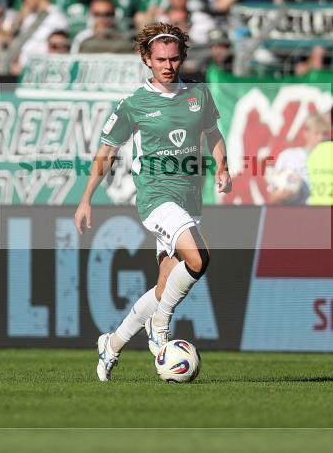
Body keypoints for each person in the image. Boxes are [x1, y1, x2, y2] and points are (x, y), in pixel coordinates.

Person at [75, 22, 231, 382]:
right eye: (160, 59)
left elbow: (213, 133)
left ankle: (111, 344)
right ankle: (159, 326)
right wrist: (86, 200)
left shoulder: (199, 95)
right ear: (146, 59)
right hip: (156, 196)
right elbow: (106, 153)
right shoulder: (133, 105)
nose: (168, 66)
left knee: (164, 288)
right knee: (199, 258)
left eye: (174, 59)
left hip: (190, 198)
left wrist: (223, 167)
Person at [269, 112, 327, 204]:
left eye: (324, 134)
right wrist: (281, 195)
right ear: (306, 133)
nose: (320, 138)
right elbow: (272, 196)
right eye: (316, 133)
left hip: (319, 215)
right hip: (293, 215)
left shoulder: (329, 160)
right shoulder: (288, 156)